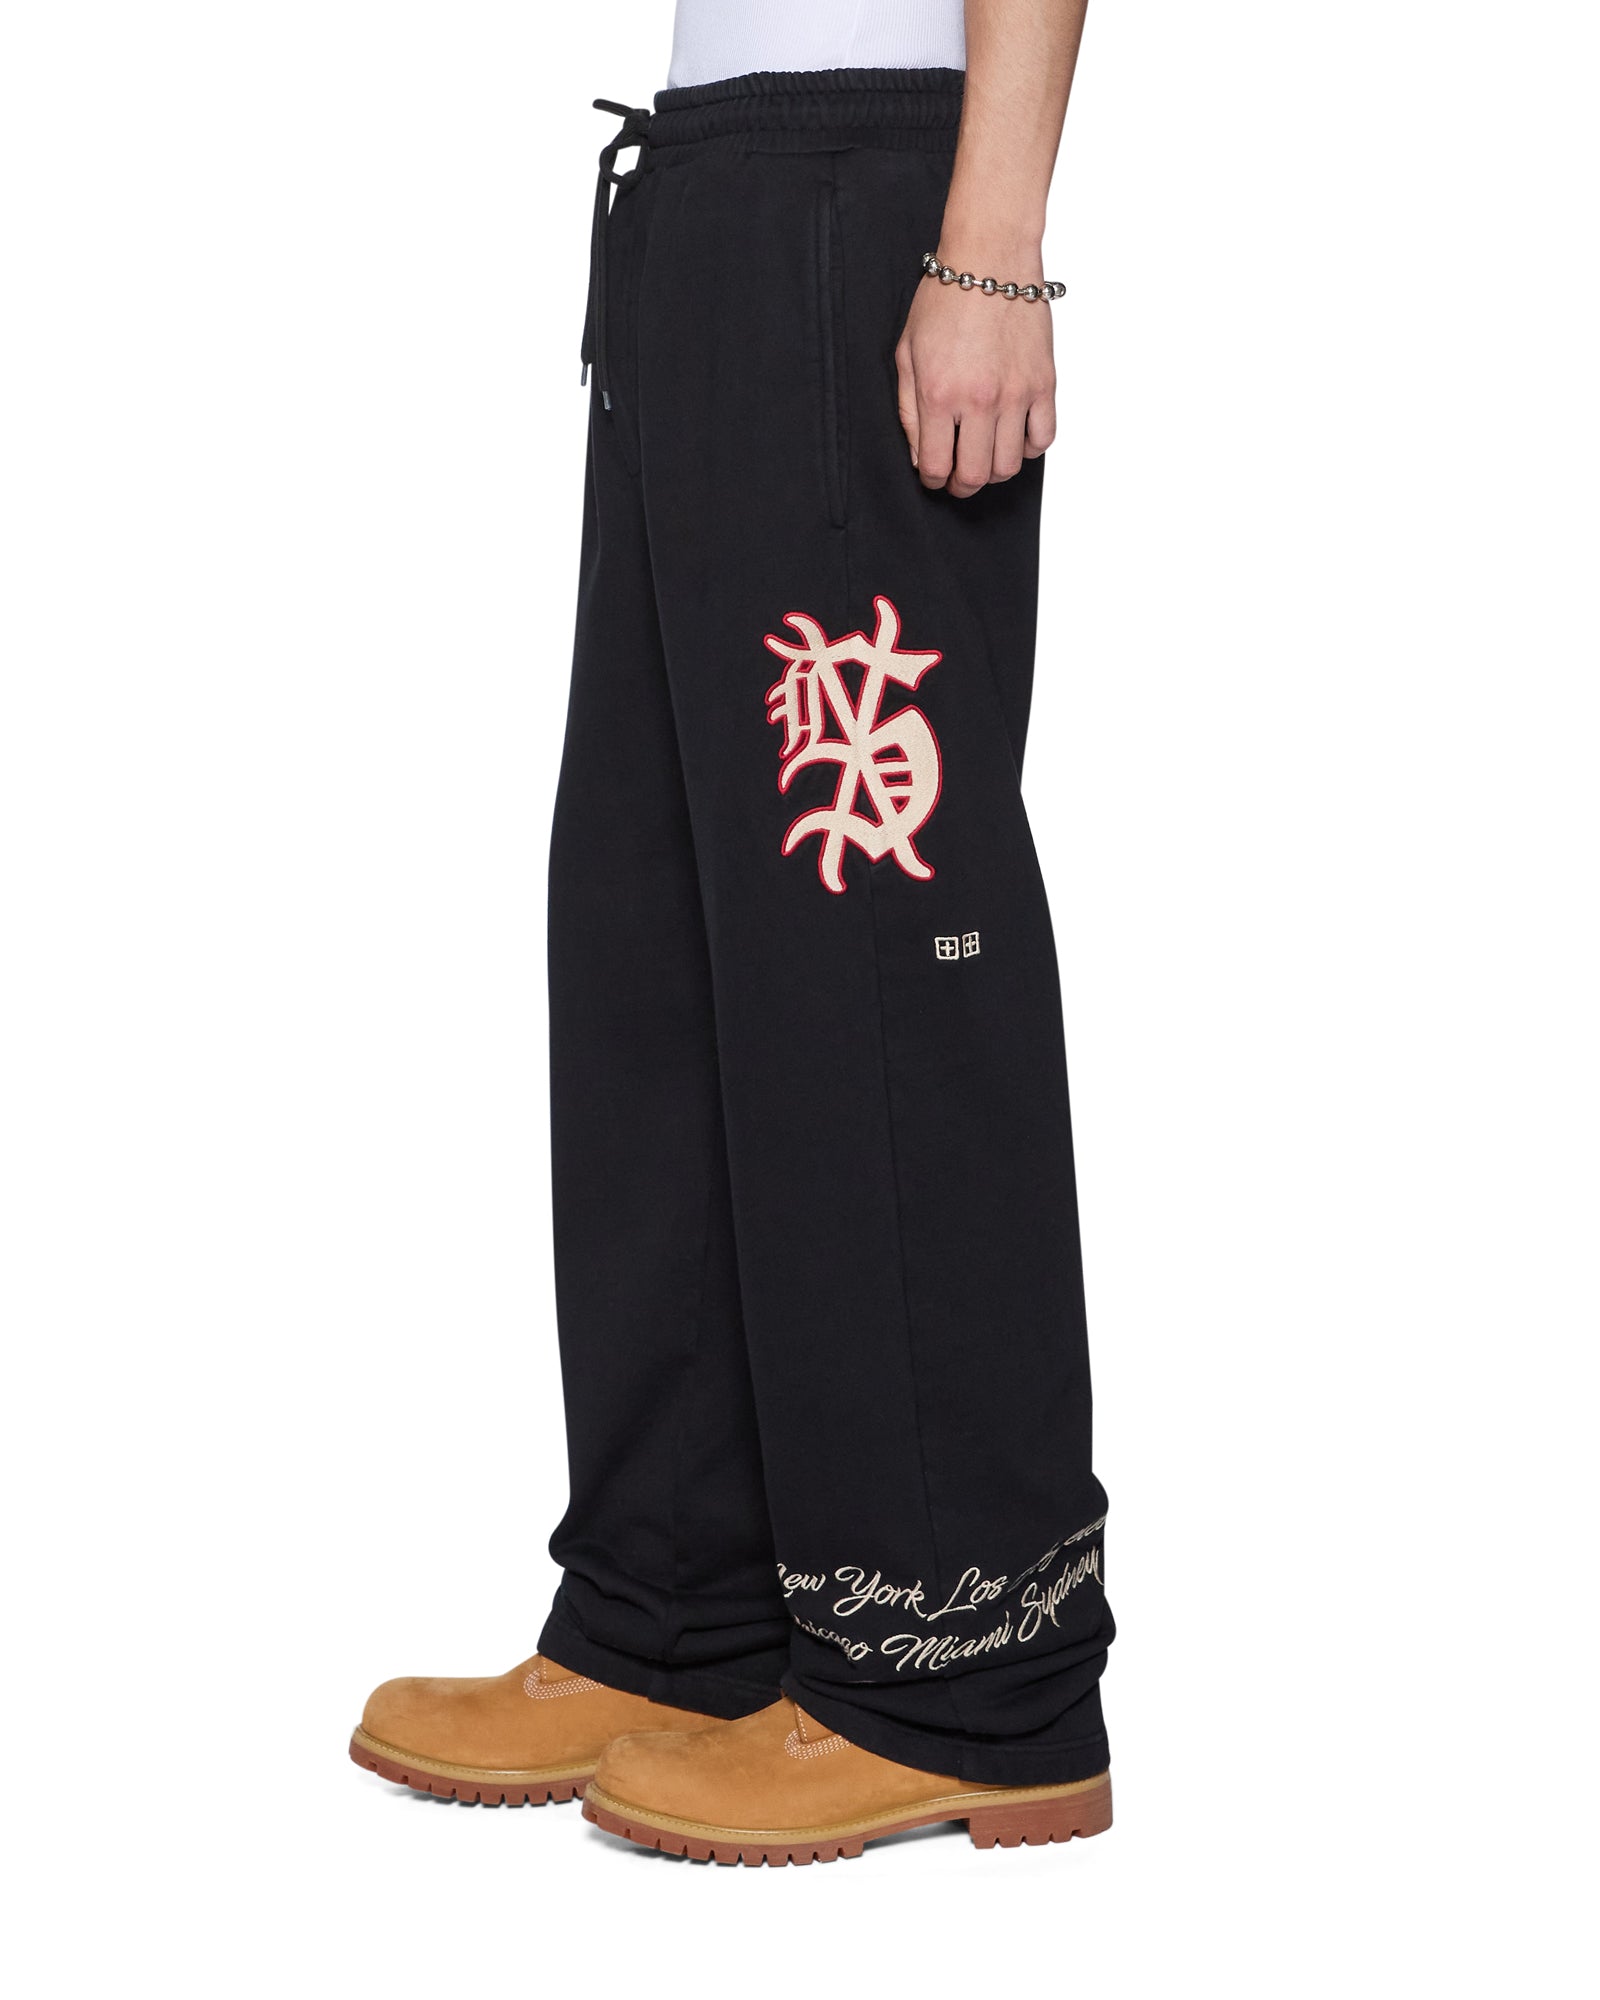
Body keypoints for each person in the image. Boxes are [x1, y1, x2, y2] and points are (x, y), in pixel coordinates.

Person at [350, 0, 1115, 1866]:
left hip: (871, 201)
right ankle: (679, 1614)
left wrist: (989, 241)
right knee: (655, 945)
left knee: (873, 959)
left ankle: (964, 1670)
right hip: (708, 194)